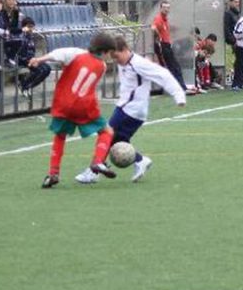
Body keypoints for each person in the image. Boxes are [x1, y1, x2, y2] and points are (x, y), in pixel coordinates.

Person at [78, 35, 187, 184]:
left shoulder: (139, 64)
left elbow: (163, 74)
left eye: (116, 56)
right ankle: (140, 160)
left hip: (132, 110)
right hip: (126, 107)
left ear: (125, 50)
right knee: (117, 141)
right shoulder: (124, 62)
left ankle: (93, 172)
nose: (116, 60)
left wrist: (178, 95)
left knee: (106, 136)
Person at [29, 32, 119, 188]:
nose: (109, 57)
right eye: (109, 53)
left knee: (60, 136)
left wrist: (39, 59)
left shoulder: (77, 54)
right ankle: (98, 161)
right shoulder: (102, 66)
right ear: (104, 51)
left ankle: (53, 173)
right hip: (85, 105)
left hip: (63, 103)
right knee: (107, 132)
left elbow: (58, 54)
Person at [152, 0, 188, 91]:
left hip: (167, 45)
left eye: (168, 8)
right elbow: (153, 28)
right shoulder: (158, 18)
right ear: (160, 9)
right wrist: (159, 38)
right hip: (162, 46)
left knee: (173, 67)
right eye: (164, 8)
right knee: (172, 67)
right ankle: (180, 87)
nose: (166, 10)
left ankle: (179, 87)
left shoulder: (165, 19)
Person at [11, 17, 49, 95]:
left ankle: (29, 86)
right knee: (40, 70)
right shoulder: (20, 36)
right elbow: (18, 52)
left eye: (32, 27)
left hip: (31, 59)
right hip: (22, 60)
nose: (31, 29)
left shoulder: (30, 36)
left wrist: (35, 59)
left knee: (47, 68)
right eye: (29, 27)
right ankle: (24, 86)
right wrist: (29, 61)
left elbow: (32, 50)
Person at [223, 0, 242, 82]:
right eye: (235, 2)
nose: (237, 4)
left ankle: (239, 79)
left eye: (238, 2)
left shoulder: (237, 14)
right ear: (230, 2)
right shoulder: (228, 14)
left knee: (239, 61)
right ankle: (232, 81)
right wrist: (233, 41)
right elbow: (227, 29)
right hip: (231, 43)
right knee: (232, 62)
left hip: (239, 42)